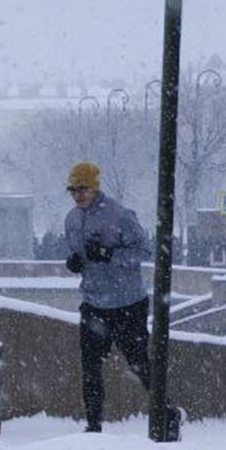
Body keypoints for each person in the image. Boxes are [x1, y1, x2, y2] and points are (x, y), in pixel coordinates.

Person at [62, 160, 155, 433]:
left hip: (128, 303)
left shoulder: (119, 215)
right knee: (90, 368)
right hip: (93, 304)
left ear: (95, 188)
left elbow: (145, 252)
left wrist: (110, 255)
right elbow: (78, 254)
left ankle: (166, 410)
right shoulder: (72, 219)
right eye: (73, 190)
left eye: (83, 189)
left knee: (139, 364)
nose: (78, 195)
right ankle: (93, 425)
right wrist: (75, 262)